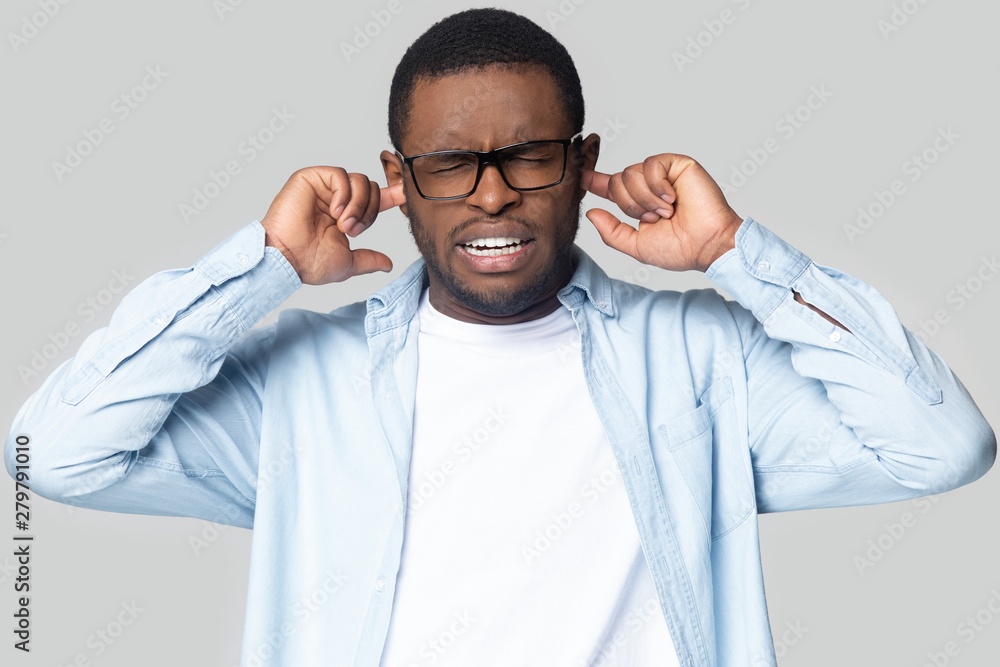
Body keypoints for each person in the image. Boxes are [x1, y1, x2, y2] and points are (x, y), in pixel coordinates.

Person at [4, 7, 995, 666]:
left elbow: (939, 446)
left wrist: (739, 255)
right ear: (398, 178)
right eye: (450, 163)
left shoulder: (700, 361)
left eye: (527, 156)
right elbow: (49, 452)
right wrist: (258, 267)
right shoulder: (307, 383)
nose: (490, 192)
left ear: (582, 162)